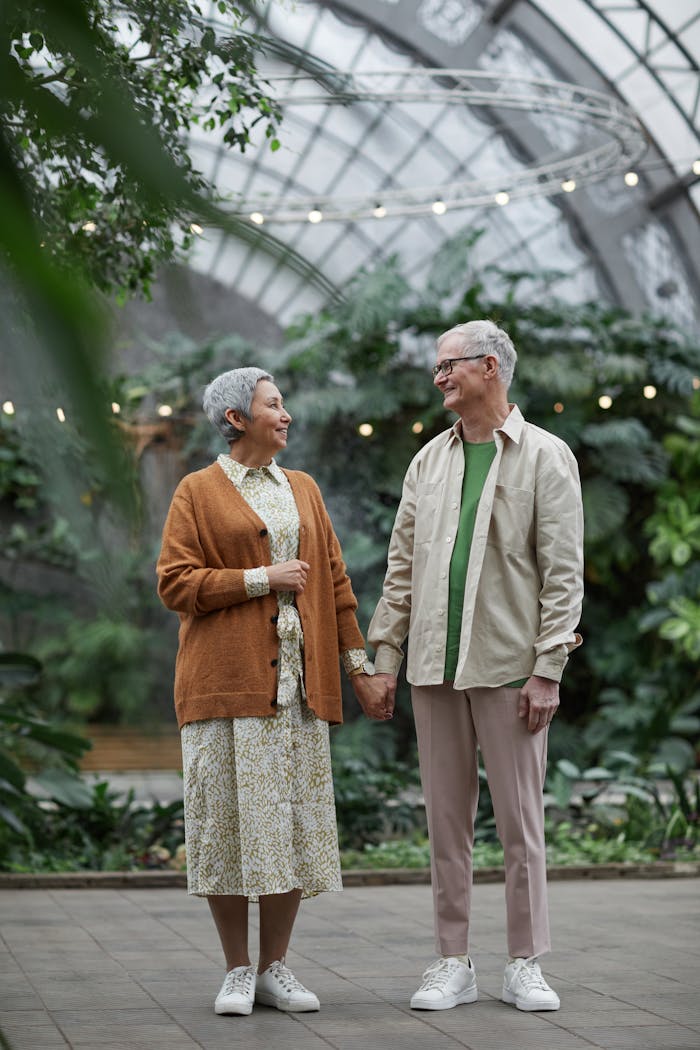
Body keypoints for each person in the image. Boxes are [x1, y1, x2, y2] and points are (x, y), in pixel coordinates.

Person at [156, 366, 390, 1018]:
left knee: (287, 829)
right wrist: (262, 578)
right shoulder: (196, 492)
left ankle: (275, 968)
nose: (286, 415)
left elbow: (336, 588)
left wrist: (359, 669)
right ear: (236, 418)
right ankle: (236, 970)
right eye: (274, 404)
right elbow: (175, 583)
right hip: (224, 691)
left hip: (296, 693)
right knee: (229, 831)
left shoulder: (304, 490)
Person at [368, 320, 584, 1014]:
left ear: (489, 366)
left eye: (448, 366)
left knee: (521, 823)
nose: (438, 378)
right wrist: (384, 658)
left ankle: (525, 963)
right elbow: (400, 571)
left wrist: (548, 668)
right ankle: (452, 961)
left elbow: (564, 574)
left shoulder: (547, 457)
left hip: (510, 668)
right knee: (445, 824)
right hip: (433, 668)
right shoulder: (427, 461)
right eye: (438, 368)